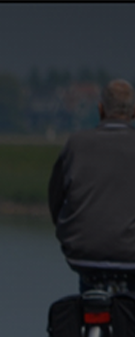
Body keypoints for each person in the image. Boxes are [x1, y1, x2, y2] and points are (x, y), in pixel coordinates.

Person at [48, 79, 135, 289]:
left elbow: (55, 198)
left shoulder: (75, 144)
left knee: (90, 288)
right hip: (131, 257)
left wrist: (69, 232)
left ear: (100, 109)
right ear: (134, 113)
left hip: (82, 255)